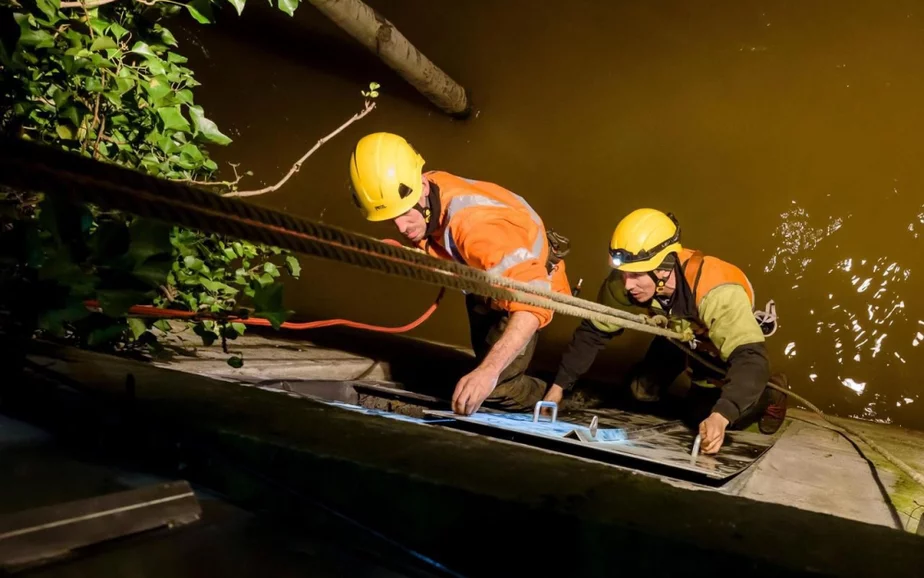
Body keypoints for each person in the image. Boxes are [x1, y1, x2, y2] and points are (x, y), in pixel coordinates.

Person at [348, 132, 572, 416]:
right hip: (483, 282)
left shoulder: (474, 226)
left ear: (422, 186)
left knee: (496, 386)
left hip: (523, 292)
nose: (402, 228)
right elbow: (441, 247)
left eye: (405, 215)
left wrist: (488, 373)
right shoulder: (422, 190)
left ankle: (558, 395)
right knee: (483, 366)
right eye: (391, 220)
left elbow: (534, 300)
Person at [543, 208, 787, 455]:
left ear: (663, 268)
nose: (628, 284)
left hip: (712, 342)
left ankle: (771, 393)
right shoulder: (625, 284)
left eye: (636, 275)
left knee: (702, 416)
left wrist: (722, 415)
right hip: (675, 333)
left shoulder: (716, 291)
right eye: (624, 273)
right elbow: (593, 332)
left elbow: (751, 358)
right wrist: (559, 386)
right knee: (640, 391)